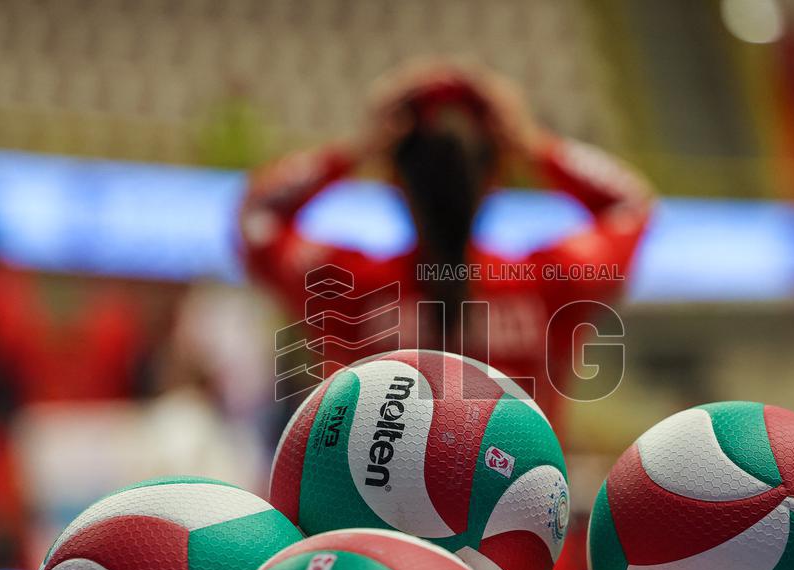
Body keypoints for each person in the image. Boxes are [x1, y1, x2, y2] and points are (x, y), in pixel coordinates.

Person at [239, 62, 654, 422]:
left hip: (360, 513)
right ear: (495, 178)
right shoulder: (550, 281)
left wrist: (355, 149)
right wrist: (534, 144)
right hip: (518, 508)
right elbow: (630, 203)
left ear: (393, 179)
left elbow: (259, 214)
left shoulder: (343, 282)